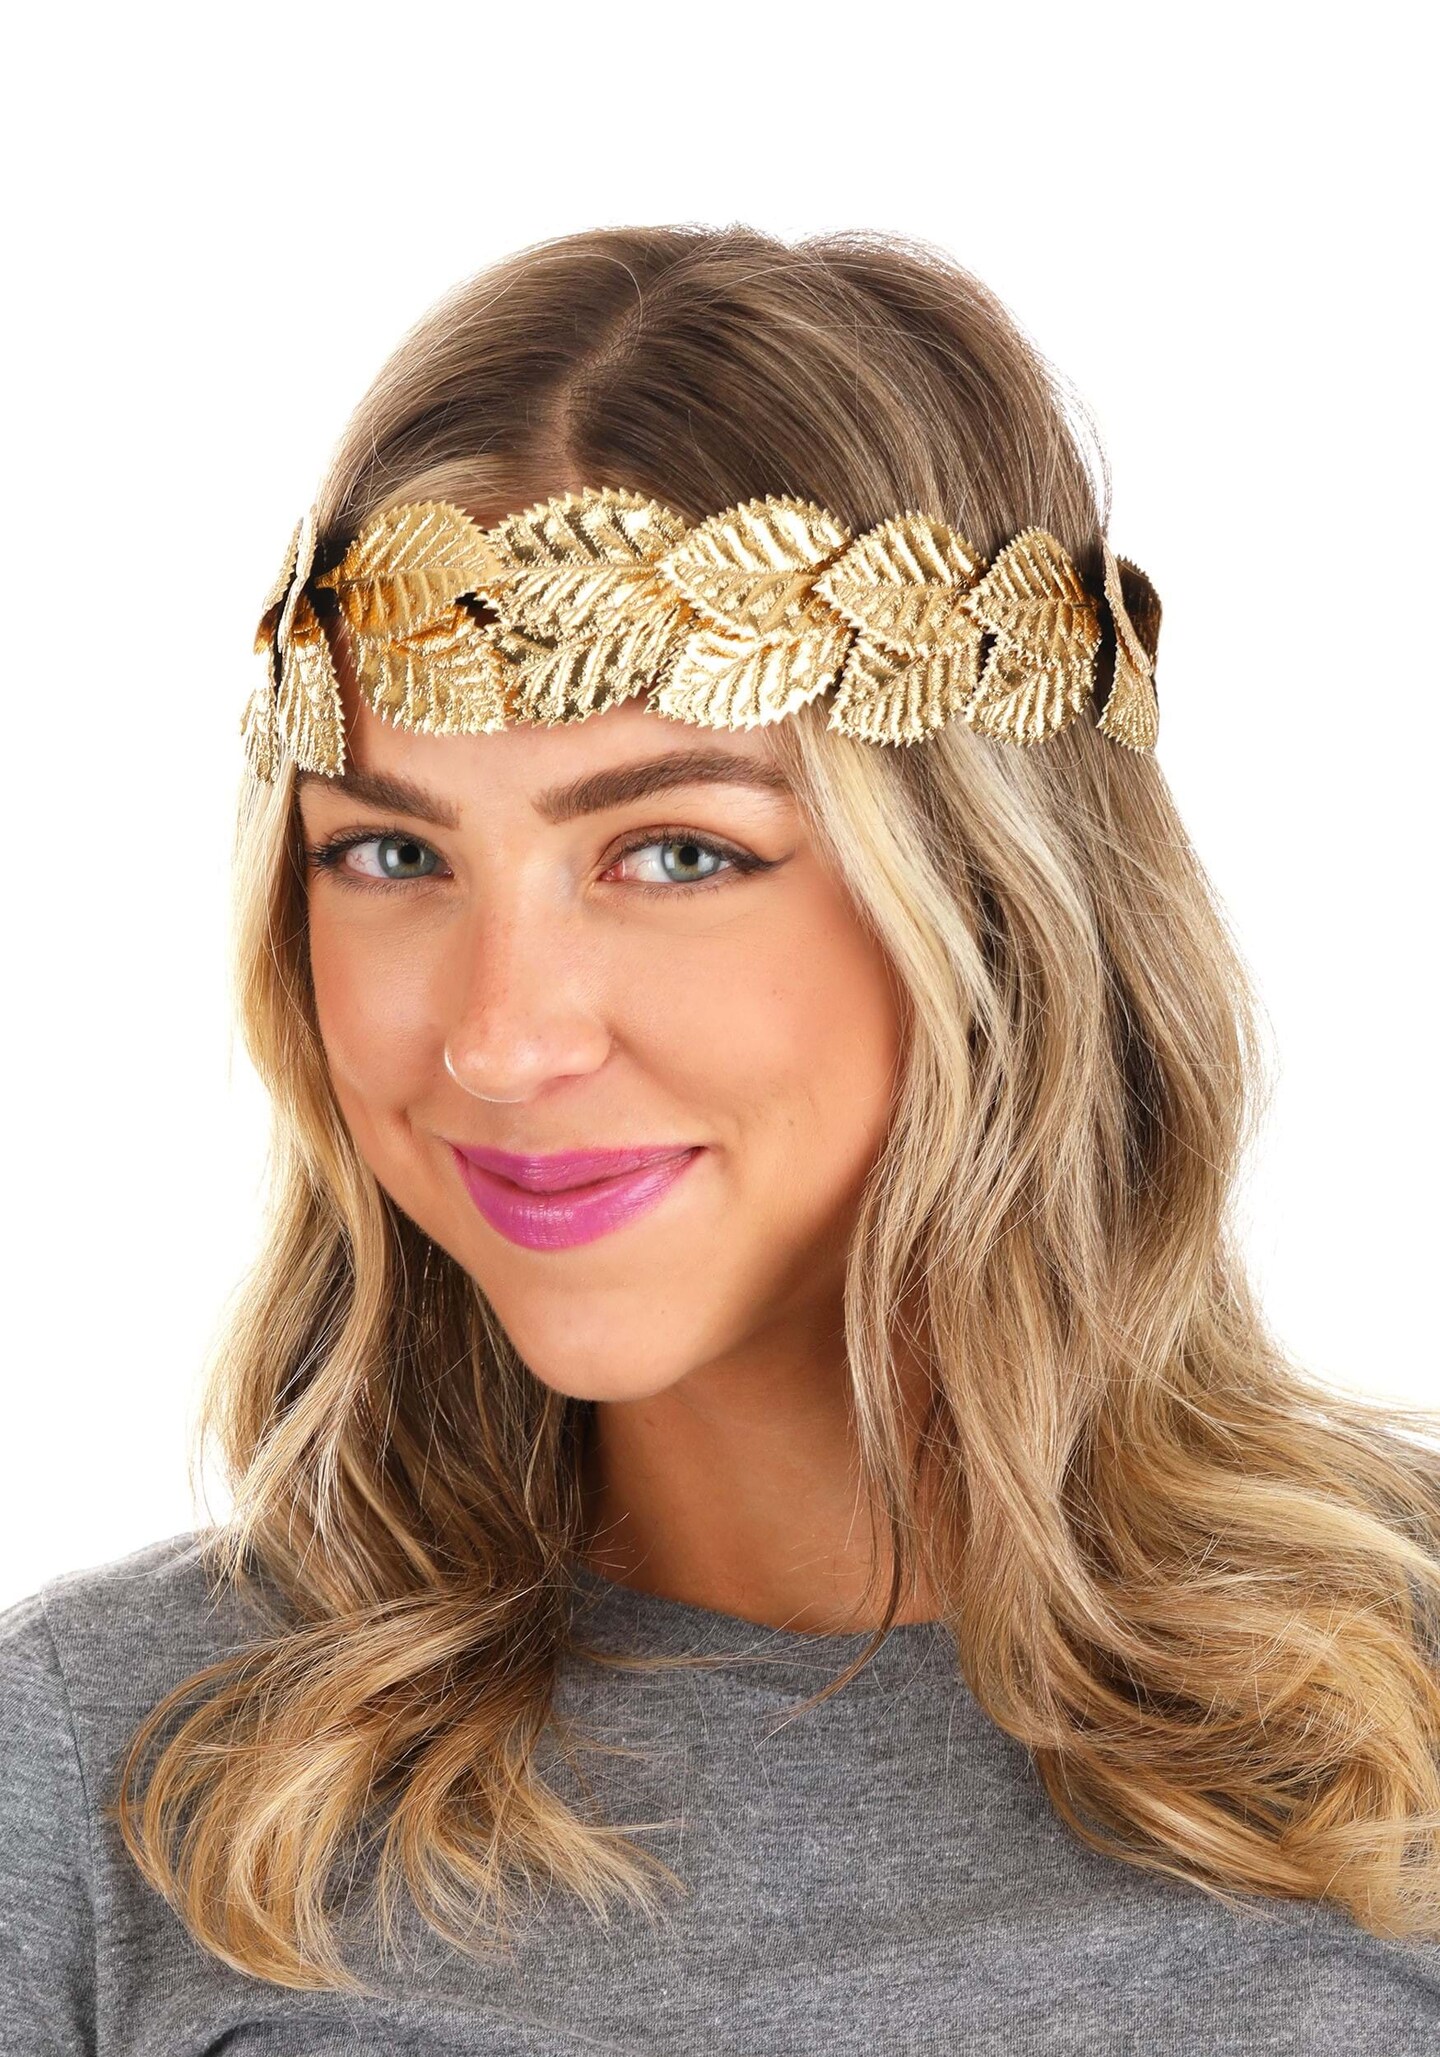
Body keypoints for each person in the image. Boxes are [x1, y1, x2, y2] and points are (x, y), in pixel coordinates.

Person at [2, 223, 1437, 2053]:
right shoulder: (125, 1781)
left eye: (677, 852)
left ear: (997, 904)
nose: (503, 1036)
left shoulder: (1405, 1708)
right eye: (393, 851)